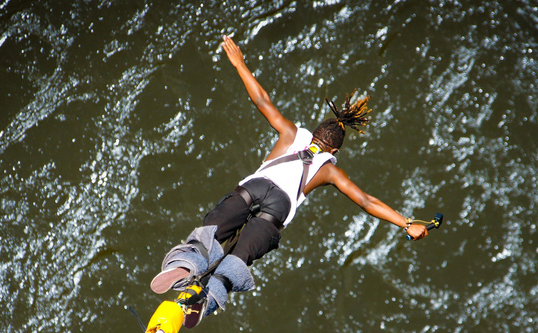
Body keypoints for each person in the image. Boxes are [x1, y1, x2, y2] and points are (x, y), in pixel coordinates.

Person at [151, 35, 428, 318]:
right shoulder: (329, 169)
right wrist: (406, 222)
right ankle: (205, 295)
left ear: (316, 132)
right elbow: (366, 201)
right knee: (236, 260)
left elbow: (261, 99)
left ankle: (187, 263)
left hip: (253, 188)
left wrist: (239, 64)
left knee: (209, 235)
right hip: (278, 209)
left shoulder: (290, 133)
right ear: (332, 149)